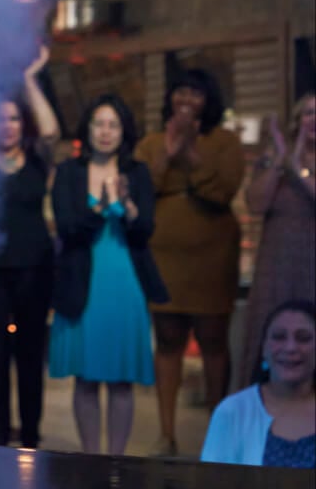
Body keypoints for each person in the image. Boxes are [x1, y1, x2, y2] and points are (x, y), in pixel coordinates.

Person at [134, 69, 245, 456]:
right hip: (164, 258)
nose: (186, 99)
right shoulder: (150, 142)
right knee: (167, 341)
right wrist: (168, 153)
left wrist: (191, 156)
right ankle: (166, 434)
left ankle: (219, 432)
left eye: (195, 93)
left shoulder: (226, 142)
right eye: (180, 91)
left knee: (214, 341)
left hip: (212, 258)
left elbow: (223, 190)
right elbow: (141, 190)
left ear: (208, 100)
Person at [49, 94, 167, 455]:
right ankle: (90, 458)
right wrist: (99, 210)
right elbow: (67, 228)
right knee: (85, 380)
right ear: (87, 129)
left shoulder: (137, 173)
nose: (105, 132)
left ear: (123, 131)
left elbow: (146, 230)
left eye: (113, 125)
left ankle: (116, 461)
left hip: (124, 283)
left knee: (121, 380)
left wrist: (128, 207)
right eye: (99, 124)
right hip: (82, 283)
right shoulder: (69, 172)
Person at [0, 46, 59, 448]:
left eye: (13, 118)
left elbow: (52, 132)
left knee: (29, 359)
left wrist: (28, 80)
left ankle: (30, 440)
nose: (6, 126)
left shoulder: (37, 159)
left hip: (34, 272)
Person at [237, 94, 316, 390]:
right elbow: (256, 204)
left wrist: (299, 169)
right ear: (297, 121)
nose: (314, 120)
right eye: (308, 113)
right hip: (277, 263)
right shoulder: (275, 158)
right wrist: (279, 161)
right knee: (270, 328)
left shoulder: (297, 165)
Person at [202, 300, 315, 467]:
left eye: (303, 338)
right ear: (263, 348)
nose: (290, 347)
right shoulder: (232, 411)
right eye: (279, 337)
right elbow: (211, 480)